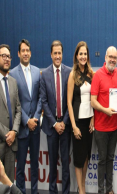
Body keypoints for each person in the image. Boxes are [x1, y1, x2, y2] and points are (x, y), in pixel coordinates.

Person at [9, 39, 42, 194]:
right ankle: (20, 192)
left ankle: (34, 191)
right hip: (22, 128)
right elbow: (14, 101)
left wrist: (34, 118)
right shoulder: (13, 73)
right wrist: (26, 120)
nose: (26, 53)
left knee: (35, 165)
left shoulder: (37, 72)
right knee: (20, 167)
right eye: (23, 50)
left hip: (35, 127)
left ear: (30, 52)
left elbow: (40, 98)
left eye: (28, 50)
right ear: (18, 53)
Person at [40, 40, 71, 194]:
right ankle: (52, 191)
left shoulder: (69, 72)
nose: (58, 56)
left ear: (62, 54)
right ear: (51, 55)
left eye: (60, 53)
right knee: (53, 164)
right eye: (55, 53)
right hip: (51, 127)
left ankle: (65, 192)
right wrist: (54, 123)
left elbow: (70, 102)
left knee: (65, 164)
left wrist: (64, 122)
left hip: (65, 127)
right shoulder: (44, 74)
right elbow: (44, 102)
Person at [91, 46, 117, 194]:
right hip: (101, 128)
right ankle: (100, 190)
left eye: (115, 58)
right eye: (110, 57)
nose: (112, 60)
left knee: (110, 159)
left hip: (114, 127)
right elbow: (93, 101)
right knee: (102, 161)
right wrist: (105, 110)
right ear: (105, 57)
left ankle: (109, 189)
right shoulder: (98, 75)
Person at [67, 41, 94, 194]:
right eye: (80, 54)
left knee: (86, 158)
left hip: (88, 123)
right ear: (76, 56)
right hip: (77, 123)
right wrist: (74, 126)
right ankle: (81, 191)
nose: (83, 56)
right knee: (78, 159)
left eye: (85, 54)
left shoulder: (91, 74)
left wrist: (93, 119)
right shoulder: (72, 75)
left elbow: (94, 99)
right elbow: (69, 103)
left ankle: (81, 187)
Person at [0, 44, 21, 182]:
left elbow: (18, 110)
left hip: (12, 144)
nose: (7, 59)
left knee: (9, 183)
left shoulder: (13, 83)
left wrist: (14, 131)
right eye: (4, 56)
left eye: (9, 56)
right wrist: (6, 134)